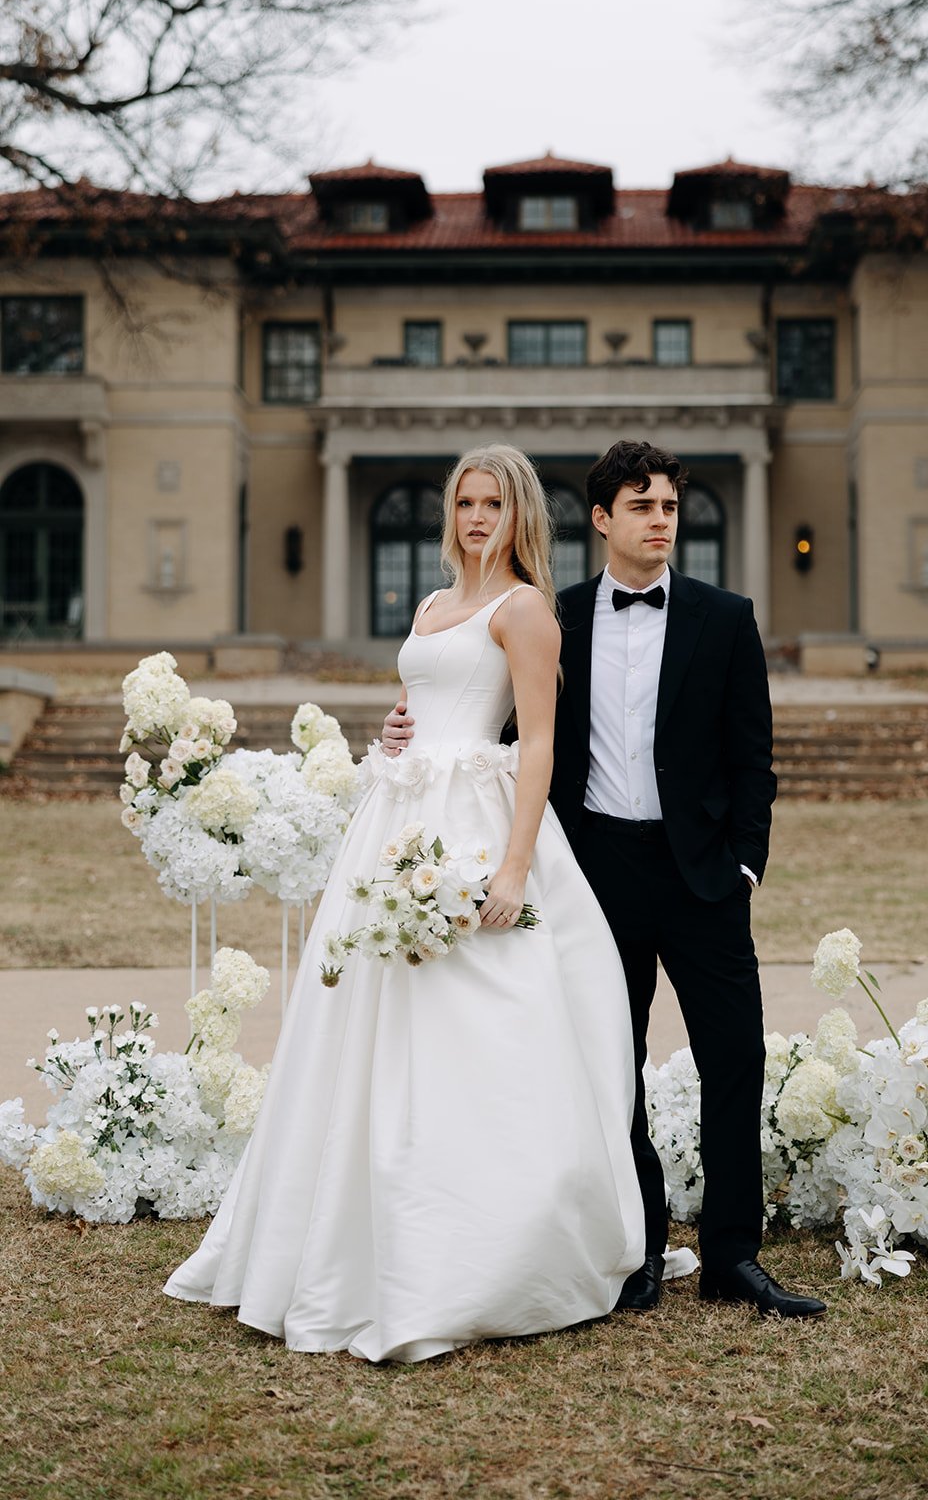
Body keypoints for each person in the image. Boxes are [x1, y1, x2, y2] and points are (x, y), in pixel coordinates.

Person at [164, 444, 645, 1361]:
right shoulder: (430, 606)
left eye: (493, 505)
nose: (475, 519)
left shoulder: (527, 610)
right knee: (364, 1025)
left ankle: (481, 1246)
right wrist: (392, 729)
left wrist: (510, 869)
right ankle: (348, 1224)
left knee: (480, 1027)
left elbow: (536, 744)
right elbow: (419, 700)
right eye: (464, 502)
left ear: (520, 518)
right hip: (394, 822)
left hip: (477, 827)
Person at [386, 441, 826, 1320]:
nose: (659, 522)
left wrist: (744, 863)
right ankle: (637, 1247)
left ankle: (735, 1257)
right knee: (604, 1063)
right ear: (601, 520)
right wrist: (408, 726)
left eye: (667, 507)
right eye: (641, 508)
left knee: (733, 1057)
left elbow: (753, 757)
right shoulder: (559, 614)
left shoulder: (725, 617)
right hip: (596, 872)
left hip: (703, 876)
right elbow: (501, 725)